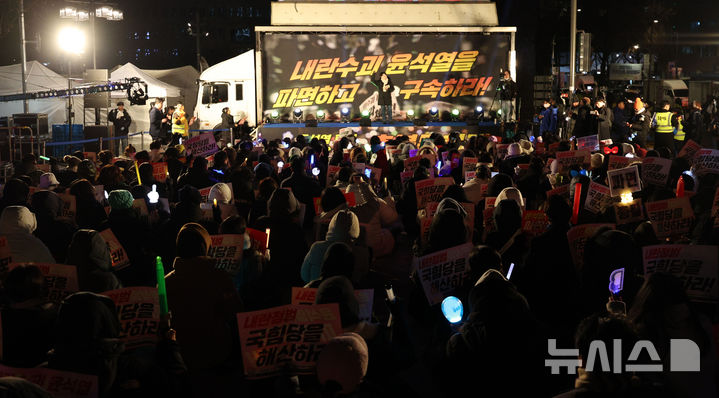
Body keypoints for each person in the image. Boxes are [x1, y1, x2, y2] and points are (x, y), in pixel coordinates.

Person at [164, 223, 241, 372]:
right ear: (205, 248)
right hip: (216, 351)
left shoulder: (165, 283)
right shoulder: (220, 277)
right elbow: (235, 310)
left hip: (180, 355)